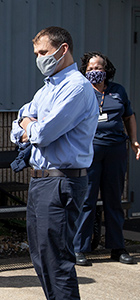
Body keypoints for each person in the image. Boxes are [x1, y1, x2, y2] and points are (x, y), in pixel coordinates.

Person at [10, 26, 98, 300]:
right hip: (41, 181)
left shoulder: (77, 88)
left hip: (62, 181)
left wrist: (30, 127)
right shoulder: (47, 89)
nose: (39, 58)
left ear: (63, 50)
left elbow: (45, 133)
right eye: (36, 53)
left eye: (43, 52)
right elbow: (18, 127)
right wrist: (28, 126)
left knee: (57, 261)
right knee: (41, 257)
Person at [74, 52, 140, 266]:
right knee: (87, 199)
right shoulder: (81, 91)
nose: (94, 71)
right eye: (90, 68)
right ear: (85, 71)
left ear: (107, 69)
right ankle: (79, 248)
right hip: (90, 150)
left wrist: (134, 140)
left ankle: (117, 247)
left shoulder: (117, 90)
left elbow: (129, 115)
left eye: (98, 67)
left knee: (114, 199)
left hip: (116, 150)